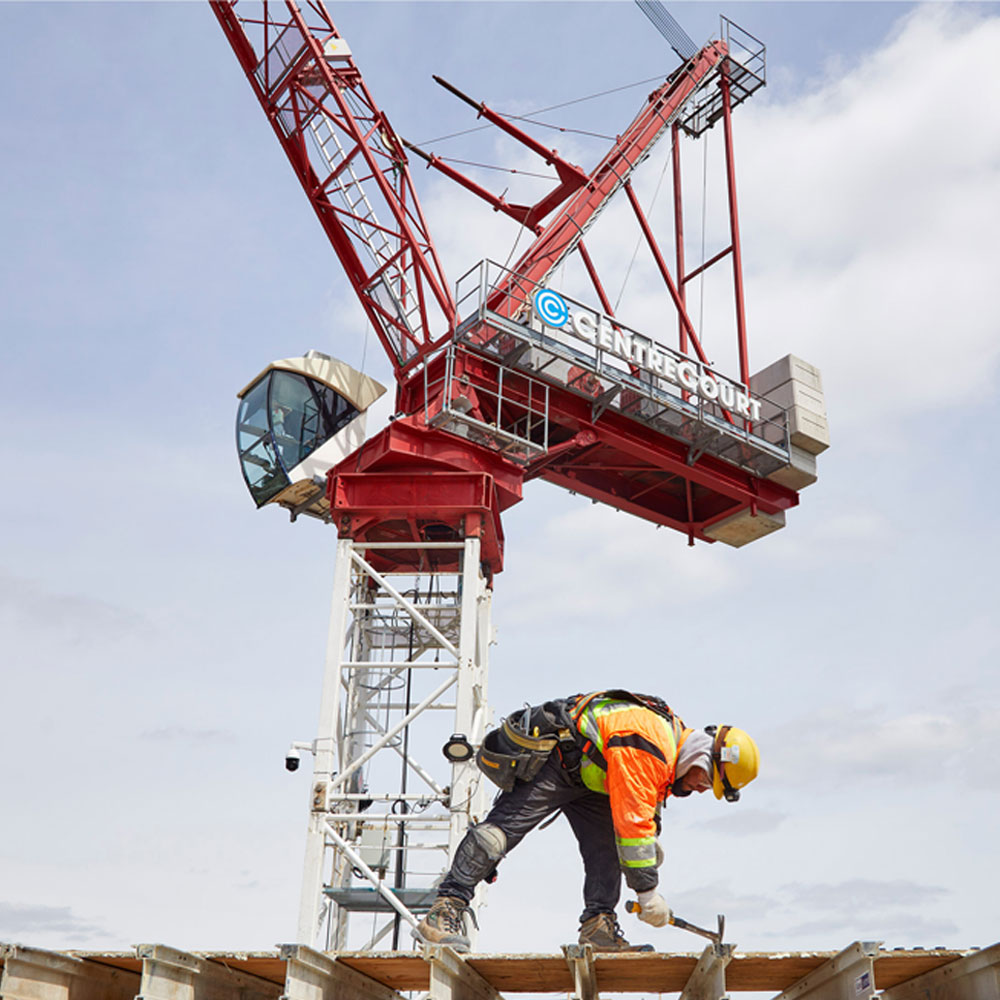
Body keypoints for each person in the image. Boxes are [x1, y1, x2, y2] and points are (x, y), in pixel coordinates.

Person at [414, 689, 759, 953]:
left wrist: (645, 850)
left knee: (607, 850)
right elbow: (633, 819)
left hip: (593, 778)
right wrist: (648, 891)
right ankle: (444, 910)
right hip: (558, 759)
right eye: (706, 780)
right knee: (497, 836)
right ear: (704, 756)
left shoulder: (668, 751)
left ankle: (598, 928)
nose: (701, 789)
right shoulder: (653, 743)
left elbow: (638, 817)